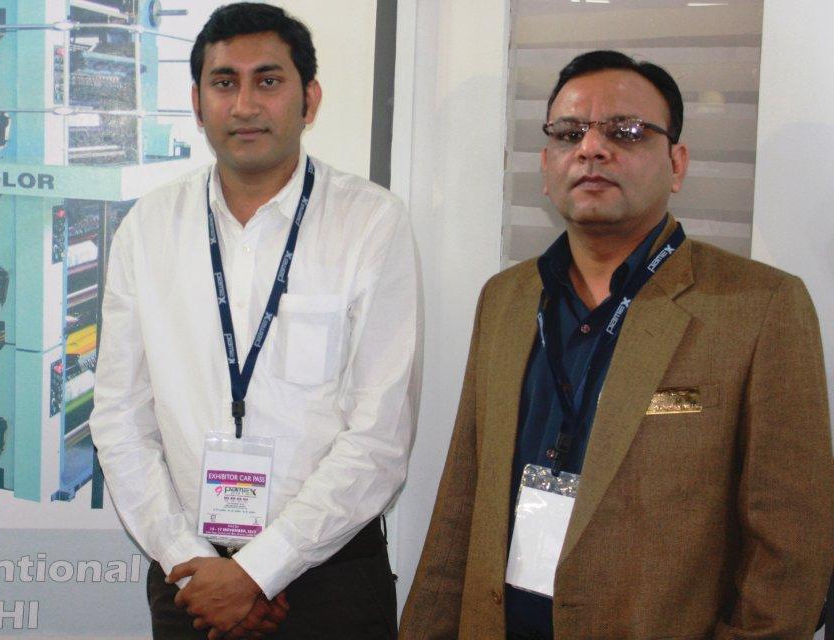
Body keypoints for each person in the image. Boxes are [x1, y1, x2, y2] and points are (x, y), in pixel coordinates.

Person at [400, 50, 833, 639]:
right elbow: (461, 502)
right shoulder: (505, 299)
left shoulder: (760, 306)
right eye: (568, 133)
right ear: (546, 165)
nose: (592, 149)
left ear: (676, 164)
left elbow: (792, 546)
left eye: (625, 132)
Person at [90, 3, 420, 639]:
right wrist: (191, 562)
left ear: (309, 99)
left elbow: (380, 435)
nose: (244, 105)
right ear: (197, 102)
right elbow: (120, 419)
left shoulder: (370, 222)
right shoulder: (148, 228)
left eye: (268, 81)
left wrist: (259, 571)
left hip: (328, 574)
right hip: (190, 579)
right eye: (224, 82)